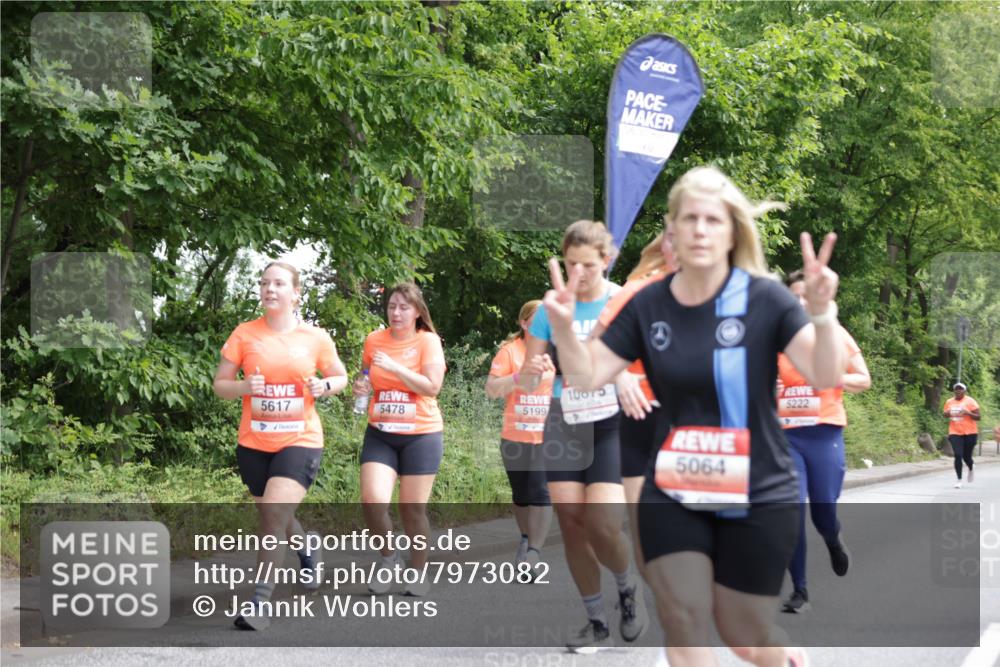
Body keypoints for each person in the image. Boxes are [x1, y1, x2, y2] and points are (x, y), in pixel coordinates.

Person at [543, 166, 844, 667]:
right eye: (689, 219)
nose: (700, 229)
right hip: (676, 483)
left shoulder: (763, 297)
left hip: (759, 486)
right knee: (681, 616)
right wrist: (564, 329)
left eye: (712, 219)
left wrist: (822, 314)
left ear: (732, 231)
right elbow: (587, 376)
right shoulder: (647, 303)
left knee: (742, 634)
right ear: (673, 231)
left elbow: (822, 370)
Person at [520, 219, 648, 653]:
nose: (578, 274)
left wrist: (627, 376)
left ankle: (628, 588)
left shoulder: (624, 301)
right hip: (563, 417)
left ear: (606, 262)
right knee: (573, 525)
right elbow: (524, 378)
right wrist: (531, 371)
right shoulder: (550, 309)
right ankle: (595, 621)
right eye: (571, 264)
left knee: (602, 522)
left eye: (588, 266)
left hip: (613, 420)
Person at [213, 261, 348, 631]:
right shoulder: (244, 334)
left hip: (300, 440)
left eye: (278, 284)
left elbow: (340, 375)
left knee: (273, 513)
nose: (269, 289)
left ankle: (259, 602)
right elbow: (220, 384)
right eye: (264, 283)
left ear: (295, 293)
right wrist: (243, 388)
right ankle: (308, 550)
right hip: (254, 442)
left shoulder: (315, 337)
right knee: (278, 517)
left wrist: (325, 386)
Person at [777, 269, 871, 614]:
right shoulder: (777, 339)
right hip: (786, 437)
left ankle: (832, 538)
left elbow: (864, 378)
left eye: (807, 296)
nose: (800, 302)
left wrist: (833, 376)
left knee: (822, 513)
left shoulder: (834, 334)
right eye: (794, 296)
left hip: (824, 434)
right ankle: (800, 591)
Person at [353, 282, 446, 597]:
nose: (396, 312)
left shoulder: (427, 342)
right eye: (392, 306)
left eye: (404, 307)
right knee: (372, 500)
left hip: (421, 435)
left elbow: (432, 386)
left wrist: (394, 367)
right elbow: (366, 375)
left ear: (417, 311)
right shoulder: (374, 340)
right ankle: (388, 559)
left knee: (412, 510)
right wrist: (361, 387)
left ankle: (418, 571)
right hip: (381, 433)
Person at [485, 300, 555, 573]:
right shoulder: (509, 352)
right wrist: (517, 377)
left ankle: (535, 553)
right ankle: (526, 538)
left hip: (547, 437)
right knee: (521, 495)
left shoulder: (556, 353)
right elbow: (491, 389)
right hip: (514, 436)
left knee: (541, 491)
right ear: (524, 323)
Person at [943, 382, 980, 488]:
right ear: (954, 391)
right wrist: (947, 413)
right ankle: (959, 480)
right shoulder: (949, 402)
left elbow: (978, 417)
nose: (958, 391)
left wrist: (967, 413)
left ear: (965, 391)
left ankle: (971, 467)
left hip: (970, 432)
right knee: (958, 455)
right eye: (956, 389)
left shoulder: (970, 401)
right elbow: (945, 415)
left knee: (967, 456)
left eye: (961, 389)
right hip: (955, 432)